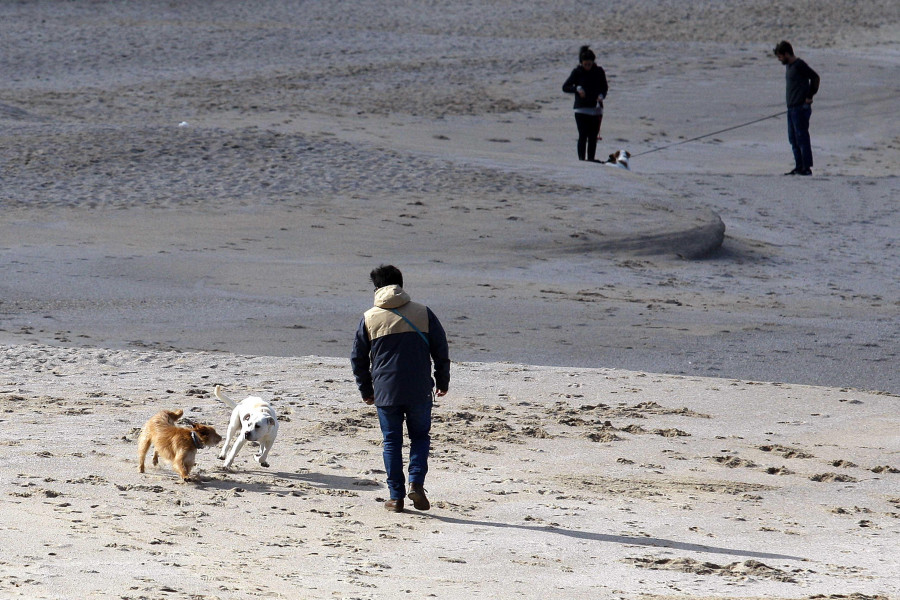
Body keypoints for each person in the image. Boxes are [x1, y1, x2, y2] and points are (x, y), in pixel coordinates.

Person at [350, 265, 450, 513]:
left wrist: (366, 390)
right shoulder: (423, 313)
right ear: (401, 285)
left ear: (376, 288)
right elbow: (441, 349)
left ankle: (396, 497)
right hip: (418, 389)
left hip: (386, 391)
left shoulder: (370, 318)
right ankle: (416, 483)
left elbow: (358, 358)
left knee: (392, 442)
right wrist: (442, 381)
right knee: (420, 437)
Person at [774, 41, 820, 176]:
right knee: (793, 138)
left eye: (780, 56)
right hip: (791, 108)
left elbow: (815, 78)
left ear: (787, 53)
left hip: (800, 107)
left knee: (801, 137)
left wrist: (810, 96)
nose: (779, 59)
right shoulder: (788, 66)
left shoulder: (799, 65)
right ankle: (799, 166)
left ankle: (806, 168)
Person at [562, 45, 609, 162]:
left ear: (593, 62)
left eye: (590, 64)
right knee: (583, 135)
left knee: (593, 137)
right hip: (581, 109)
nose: (587, 66)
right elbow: (565, 87)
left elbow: (604, 87)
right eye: (585, 64)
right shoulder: (577, 72)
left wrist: (601, 95)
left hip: (595, 109)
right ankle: (582, 160)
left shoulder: (599, 71)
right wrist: (577, 89)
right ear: (581, 63)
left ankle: (591, 159)